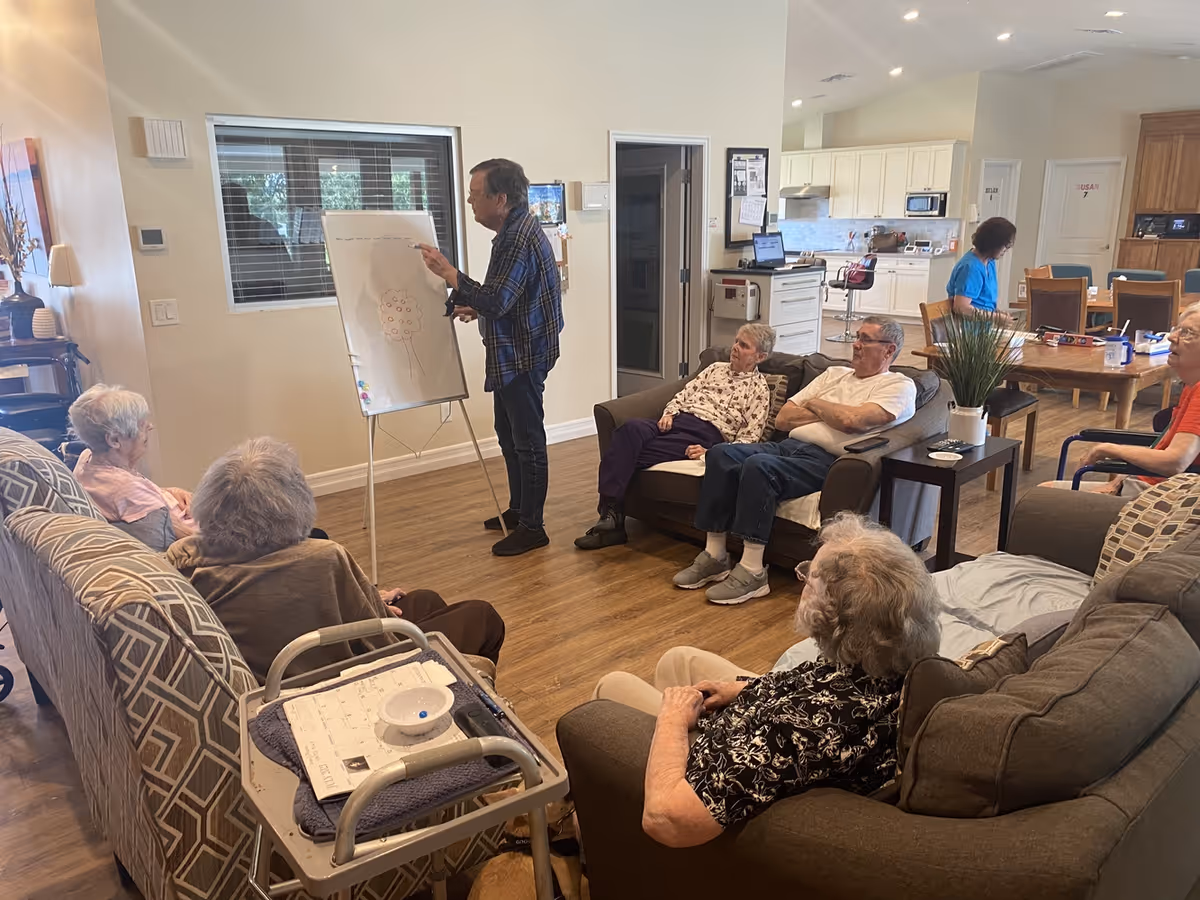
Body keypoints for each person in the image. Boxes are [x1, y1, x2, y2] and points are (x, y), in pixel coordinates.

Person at [593, 514, 940, 847]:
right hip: (762, 725)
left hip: (716, 765)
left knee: (613, 686)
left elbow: (668, 819)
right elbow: (816, 686)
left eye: (809, 579)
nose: (801, 582)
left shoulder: (795, 731)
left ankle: (575, 826)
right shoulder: (891, 660)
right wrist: (743, 689)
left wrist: (672, 719)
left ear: (837, 617)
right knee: (678, 659)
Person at [166, 437, 505, 682]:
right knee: (482, 615)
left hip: (271, 671)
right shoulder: (322, 559)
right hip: (335, 675)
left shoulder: (186, 559)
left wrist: (370, 595)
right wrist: (374, 603)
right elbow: (383, 640)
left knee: (425, 599)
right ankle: (469, 707)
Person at [673, 316, 916, 605]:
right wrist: (827, 410)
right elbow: (785, 418)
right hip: (788, 445)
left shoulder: (898, 386)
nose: (856, 344)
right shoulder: (833, 374)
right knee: (721, 454)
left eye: (865, 339)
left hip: (827, 460)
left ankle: (752, 572)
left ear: (888, 350)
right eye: (857, 337)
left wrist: (819, 405)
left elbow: (854, 421)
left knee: (758, 467)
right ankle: (715, 556)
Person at [418, 159, 564, 558]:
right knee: (508, 432)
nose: (469, 201)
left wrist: (451, 275)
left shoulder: (517, 237)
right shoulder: (512, 230)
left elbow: (499, 299)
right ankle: (519, 511)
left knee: (528, 440)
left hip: (523, 353)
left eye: (475, 195)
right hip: (516, 349)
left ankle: (533, 527)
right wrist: (476, 306)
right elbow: (507, 295)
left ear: (500, 198)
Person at [574, 324, 777, 550]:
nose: (735, 348)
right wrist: (670, 412)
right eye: (736, 341)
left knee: (625, 451)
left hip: (704, 435)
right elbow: (684, 393)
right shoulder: (715, 369)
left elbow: (750, 438)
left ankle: (610, 518)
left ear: (760, 356)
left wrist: (712, 452)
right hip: (677, 421)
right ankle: (612, 521)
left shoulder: (759, 390)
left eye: (744, 345)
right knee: (629, 430)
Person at [1040, 304, 1200, 497]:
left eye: (1188, 332)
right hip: (1146, 484)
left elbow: (1175, 461)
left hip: (1160, 499)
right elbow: (1163, 446)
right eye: (1177, 329)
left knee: (1042, 498)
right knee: (1043, 495)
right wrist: (1118, 481)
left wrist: (1110, 449)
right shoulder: (1191, 386)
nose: (1172, 337)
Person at [68, 384, 197, 542]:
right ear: (115, 440)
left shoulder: (87, 459)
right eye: (141, 424)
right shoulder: (126, 489)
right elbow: (191, 541)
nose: (150, 426)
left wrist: (170, 492)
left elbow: (129, 496)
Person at [946, 216, 1016, 323]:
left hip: (983, 328)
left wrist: (997, 313)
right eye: (1004, 246)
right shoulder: (970, 268)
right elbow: (961, 307)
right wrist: (995, 318)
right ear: (993, 243)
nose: (1006, 250)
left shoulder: (989, 262)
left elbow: (983, 302)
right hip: (968, 332)